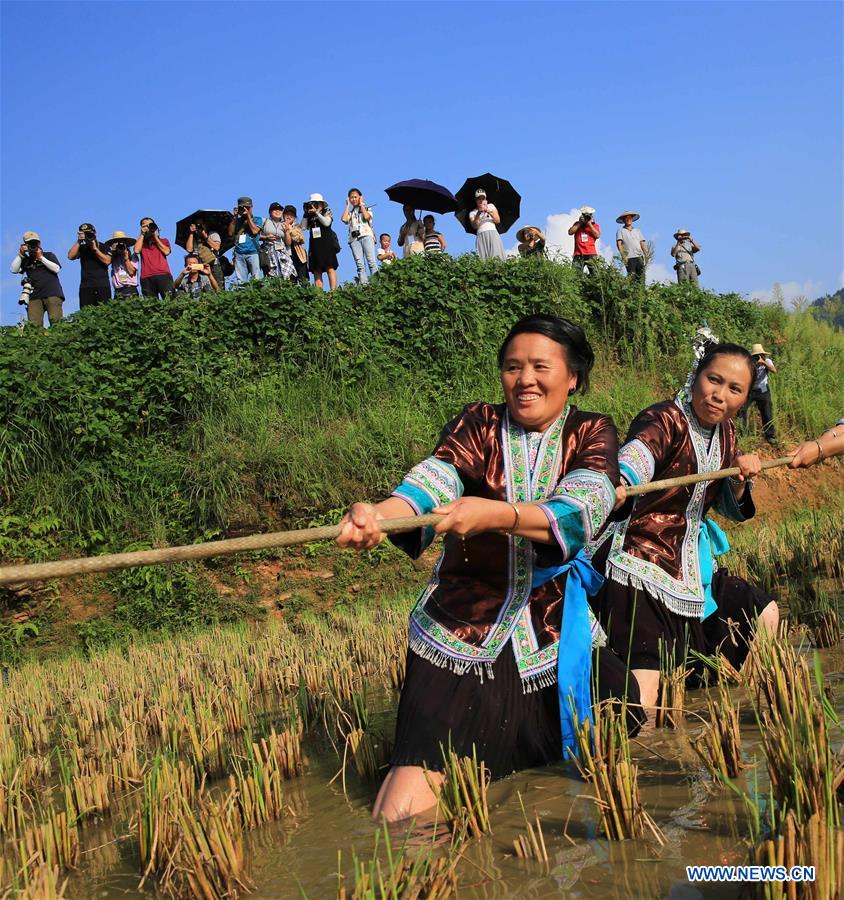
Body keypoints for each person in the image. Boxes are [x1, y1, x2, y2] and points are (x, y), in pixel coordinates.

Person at [337, 314, 642, 822]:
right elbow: (432, 483)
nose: (525, 380)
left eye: (540, 367)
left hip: (554, 628)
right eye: (512, 367)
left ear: (573, 377)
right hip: (461, 627)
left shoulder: (590, 430)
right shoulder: (477, 423)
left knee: (620, 723)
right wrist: (380, 517)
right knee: (401, 813)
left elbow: (584, 506)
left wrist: (495, 516)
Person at [587, 343, 779, 714]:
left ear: (744, 399)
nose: (719, 395)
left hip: (691, 567)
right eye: (714, 380)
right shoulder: (663, 418)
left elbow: (731, 508)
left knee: (763, 613)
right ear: (696, 376)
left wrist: (740, 479)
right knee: (646, 693)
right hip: (640, 564)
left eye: (734, 389)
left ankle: (740, 713)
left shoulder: (727, 433)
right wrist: (620, 480)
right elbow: (639, 454)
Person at [10, 231, 64, 327]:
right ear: (25, 245)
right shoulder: (26, 260)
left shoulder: (49, 255)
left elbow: (56, 269)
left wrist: (41, 258)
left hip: (52, 293)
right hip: (34, 296)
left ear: (39, 243)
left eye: (35, 243)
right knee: (34, 326)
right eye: (30, 243)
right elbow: (13, 270)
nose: (33, 246)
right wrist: (21, 254)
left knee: (57, 323)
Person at [739, 343, 777, 444]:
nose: (758, 357)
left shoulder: (767, 361)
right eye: (756, 355)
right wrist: (753, 365)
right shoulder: (749, 363)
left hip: (763, 389)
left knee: (766, 411)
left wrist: (763, 363)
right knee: (741, 409)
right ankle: (743, 434)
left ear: (763, 355)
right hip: (750, 389)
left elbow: (774, 370)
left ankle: (770, 435)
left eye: (760, 355)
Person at [67, 223, 112, 307]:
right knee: (86, 312)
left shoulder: (104, 246)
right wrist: (79, 241)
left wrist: (95, 249)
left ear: (95, 233)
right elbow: (70, 256)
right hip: (86, 286)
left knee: (105, 311)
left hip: (102, 285)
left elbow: (107, 261)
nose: (88, 235)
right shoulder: (82, 247)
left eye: (89, 233)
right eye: (85, 233)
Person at [301, 193, 339, 291]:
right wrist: (305, 214)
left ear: (321, 204)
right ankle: (319, 294)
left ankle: (333, 292)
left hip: (327, 244)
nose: (313, 206)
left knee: (330, 267)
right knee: (316, 270)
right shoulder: (309, 215)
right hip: (314, 245)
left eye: (316, 203)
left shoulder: (327, 211)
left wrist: (317, 213)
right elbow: (303, 227)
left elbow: (327, 223)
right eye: (312, 204)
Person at [341, 188, 378, 283]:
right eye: (351, 197)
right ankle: (364, 286)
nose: (353, 199)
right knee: (360, 265)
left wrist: (362, 204)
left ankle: (376, 285)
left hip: (366, 236)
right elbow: (344, 219)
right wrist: (347, 205)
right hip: (354, 240)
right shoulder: (351, 212)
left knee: (371, 262)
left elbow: (367, 217)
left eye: (355, 197)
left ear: (360, 197)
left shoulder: (367, 209)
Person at [133, 218, 174, 298]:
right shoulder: (141, 243)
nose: (148, 227)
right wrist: (142, 234)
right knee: (150, 304)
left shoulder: (164, 240)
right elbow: (136, 250)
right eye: (145, 225)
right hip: (146, 277)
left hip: (163, 274)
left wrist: (155, 236)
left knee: (170, 300)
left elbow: (166, 252)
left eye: (150, 225)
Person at [227, 197, 263, 285]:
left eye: (247, 207)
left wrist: (248, 217)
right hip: (239, 253)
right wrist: (235, 217)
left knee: (256, 280)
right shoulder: (236, 221)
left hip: (253, 252)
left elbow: (255, 231)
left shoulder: (257, 219)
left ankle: (256, 293)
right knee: (241, 282)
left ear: (251, 207)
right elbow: (230, 233)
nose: (244, 209)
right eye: (242, 208)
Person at [260, 202, 297, 281]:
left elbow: (288, 243)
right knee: (271, 273)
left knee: (286, 274)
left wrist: (286, 231)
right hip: (268, 250)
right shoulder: (264, 221)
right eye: (274, 210)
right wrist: (266, 237)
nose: (277, 211)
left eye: (280, 210)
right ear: (270, 212)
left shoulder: (283, 224)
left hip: (282, 252)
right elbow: (256, 236)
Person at [186, 219, 224, 293]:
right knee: (202, 290)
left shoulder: (213, 234)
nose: (199, 226)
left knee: (218, 289)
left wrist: (205, 235)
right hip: (200, 267)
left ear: (205, 225)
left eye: (201, 224)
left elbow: (217, 247)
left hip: (214, 265)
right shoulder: (194, 237)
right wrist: (191, 233)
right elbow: (189, 249)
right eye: (197, 224)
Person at [469, 189, 506, 261]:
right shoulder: (472, 213)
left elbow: (498, 220)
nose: (481, 200)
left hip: (492, 232)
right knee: (483, 259)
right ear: (476, 200)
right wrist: (478, 213)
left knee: (497, 256)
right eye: (479, 198)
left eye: (483, 198)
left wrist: (488, 211)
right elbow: (475, 226)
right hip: (481, 235)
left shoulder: (491, 206)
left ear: (486, 199)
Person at [104, 231, 140, 298]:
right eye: (117, 242)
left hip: (130, 289)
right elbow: (106, 262)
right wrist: (113, 250)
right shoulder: (113, 257)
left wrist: (126, 258)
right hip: (117, 291)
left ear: (126, 244)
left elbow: (131, 272)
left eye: (122, 242)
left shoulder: (132, 256)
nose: (120, 245)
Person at [615, 212, 647, 281]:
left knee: (641, 277)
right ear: (623, 220)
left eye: (630, 218)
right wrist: (623, 256)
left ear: (632, 219)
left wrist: (646, 255)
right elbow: (619, 244)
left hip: (639, 256)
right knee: (632, 277)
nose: (628, 219)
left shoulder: (638, 231)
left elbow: (643, 244)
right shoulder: (620, 231)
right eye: (626, 218)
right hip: (629, 258)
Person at [568, 207, 601, 274]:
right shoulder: (577, 224)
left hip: (591, 254)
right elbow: (570, 232)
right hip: (578, 254)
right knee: (575, 275)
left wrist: (589, 224)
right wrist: (580, 223)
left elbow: (597, 235)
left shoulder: (595, 225)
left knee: (595, 275)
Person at [283, 205, 309, 285]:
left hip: (299, 256)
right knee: (290, 281)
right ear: (283, 215)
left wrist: (289, 229)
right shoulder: (279, 225)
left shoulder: (297, 226)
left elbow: (299, 238)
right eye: (287, 214)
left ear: (294, 217)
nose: (289, 216)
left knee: (303, 280)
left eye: (291, 215)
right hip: (285, 256)